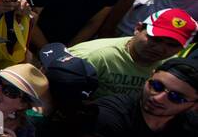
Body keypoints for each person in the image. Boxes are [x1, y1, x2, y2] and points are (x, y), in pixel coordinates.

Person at [69, 9, 197, 101]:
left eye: (172, 45)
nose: (159, 49)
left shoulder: (170, 67)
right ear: (138, 28)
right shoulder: (93, 56)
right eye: (155, 39)